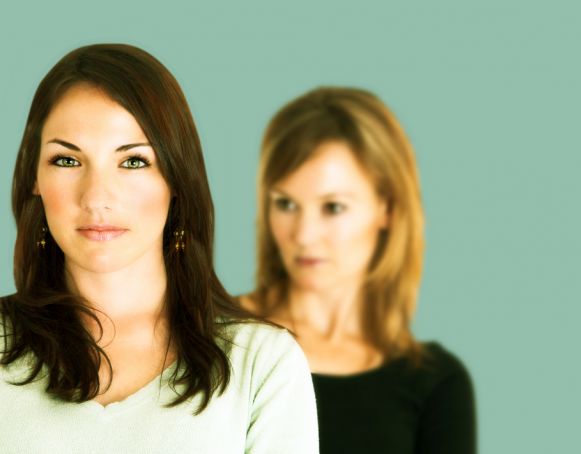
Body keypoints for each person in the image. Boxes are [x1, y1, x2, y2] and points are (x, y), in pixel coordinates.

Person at [0, 44, 318, 454]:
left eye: (133, 162)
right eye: (67, 160)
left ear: (177, 180)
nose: (97, 197)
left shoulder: (262, 364)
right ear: (34, 178)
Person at [242, 87, 476, 453]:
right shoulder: (210, 334)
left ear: (388, 209)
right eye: (285, 203)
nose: (304, 235)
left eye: (333, 207)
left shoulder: (435, 383)